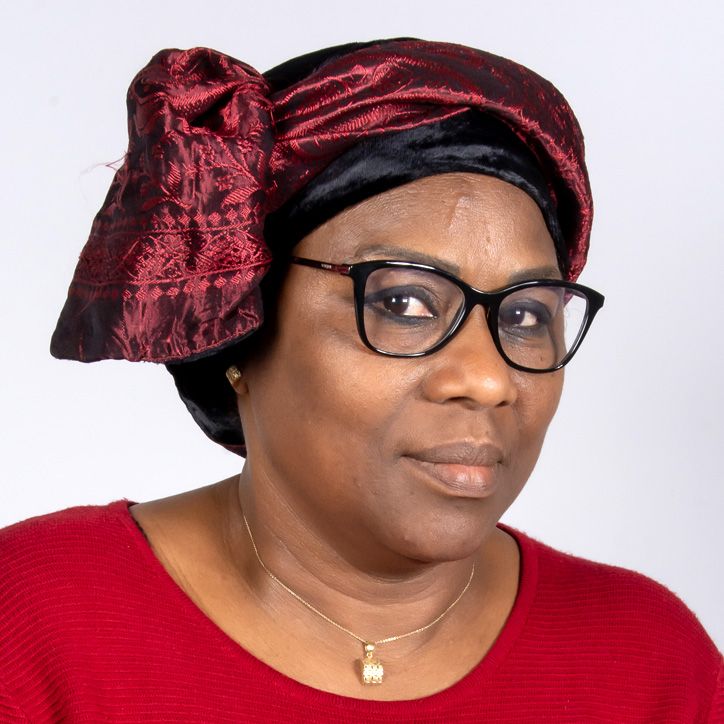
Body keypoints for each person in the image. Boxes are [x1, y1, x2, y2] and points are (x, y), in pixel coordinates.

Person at [0, 38, 720, 722]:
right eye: (403, 303)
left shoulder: (653, 663)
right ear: (240, 327)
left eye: (527, 314)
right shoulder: (33, 626)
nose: (488, 379)